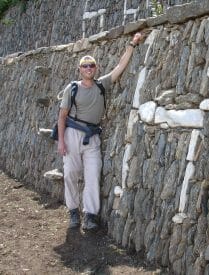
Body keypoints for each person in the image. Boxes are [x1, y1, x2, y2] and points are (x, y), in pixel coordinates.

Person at [57, 32, 142, 231]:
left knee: (93, 175)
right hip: (73, 134)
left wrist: (132, 43)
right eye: (85, 66)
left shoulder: (101, 84)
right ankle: (73, 212)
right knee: (70, 173)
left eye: (91, 65)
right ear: (79, 69)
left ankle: (90, 215)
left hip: (92, 136)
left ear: (96, 69)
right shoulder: (73, 89)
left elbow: (120, 66)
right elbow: (62, 116)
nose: (88, 68)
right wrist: (61, 141)